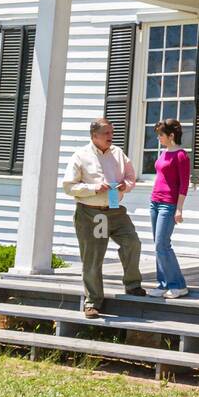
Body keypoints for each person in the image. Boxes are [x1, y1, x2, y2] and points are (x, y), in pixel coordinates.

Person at [62, 118, 146, 318]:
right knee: (93, 258)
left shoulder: (118, 153)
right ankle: (92, 302)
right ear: (94, 136)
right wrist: (93, 188)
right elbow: (68, 186)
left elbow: (130, 177)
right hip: (91, 212)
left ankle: (133, 285)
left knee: (132, 242)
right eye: (106, 133)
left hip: (115, 209)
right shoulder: (80, 156)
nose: (111, 136)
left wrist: (127, 185)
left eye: (112, 132)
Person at [148, 118, 190, 298]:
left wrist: (179, 209)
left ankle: (178, 285)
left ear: (171, 135)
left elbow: (183, 184)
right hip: (155, 202)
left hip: (168, 204)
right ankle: (163, 284)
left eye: (161, 135)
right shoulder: (164, 153)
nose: (158, 138)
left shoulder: (181, 156)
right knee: (158, 246)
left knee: (162, 244)